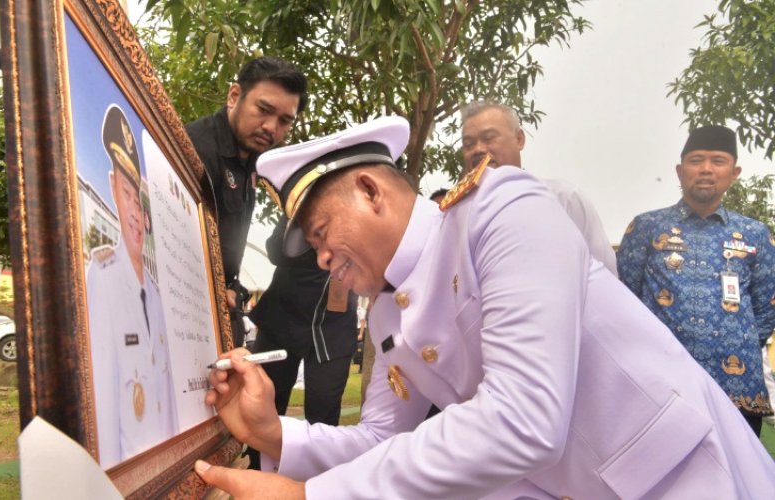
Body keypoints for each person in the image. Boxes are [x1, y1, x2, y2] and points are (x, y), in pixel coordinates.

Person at [194, 117, 775, 499]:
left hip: (683, 479)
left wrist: (311, 495)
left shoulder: (501, 209)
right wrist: (276, 435)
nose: (321, 261)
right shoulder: (390, 316)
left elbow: (524, 418)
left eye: (322, 234)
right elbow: (379, 440)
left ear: (371, 191)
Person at [617, 125, 775, 436]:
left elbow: (766, 308)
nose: (705, 169)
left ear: (734, 172)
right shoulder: (647, 227)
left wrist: (729, 343)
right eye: (696, 160)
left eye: (718, 161)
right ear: (679, 171)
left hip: (736, 387)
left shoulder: (755, 234)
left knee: (737, 481)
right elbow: (625, 301)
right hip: (662, 386)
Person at [185, 56, 308, 346]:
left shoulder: (253, 162)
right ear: (234, 95)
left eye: (284, 121)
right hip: (190, 313)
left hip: (221, 307)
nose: (270, 127)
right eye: (263, 110)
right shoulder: (194, 150)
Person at [86, 104, 178, 468]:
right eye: (126, 194)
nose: (136, 214)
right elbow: (104, 401)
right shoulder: (104, 278)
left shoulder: (154, 293)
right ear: (111, 188)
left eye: (138, 199)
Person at [244, 216, 357, 469]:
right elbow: (277, 251)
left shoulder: (364, 210)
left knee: (324, 415)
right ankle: (256, 476)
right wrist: (308, 223)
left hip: (334, 331)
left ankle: (316, 484)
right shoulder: (302, 203)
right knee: (265, 403)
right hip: (282, 318)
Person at [460, 100, 618, 275]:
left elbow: (605, 272)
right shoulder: (460, 216)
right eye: (468, 145)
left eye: (489, 138)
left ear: (519, 139)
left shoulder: (563, 198)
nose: (478, 149)